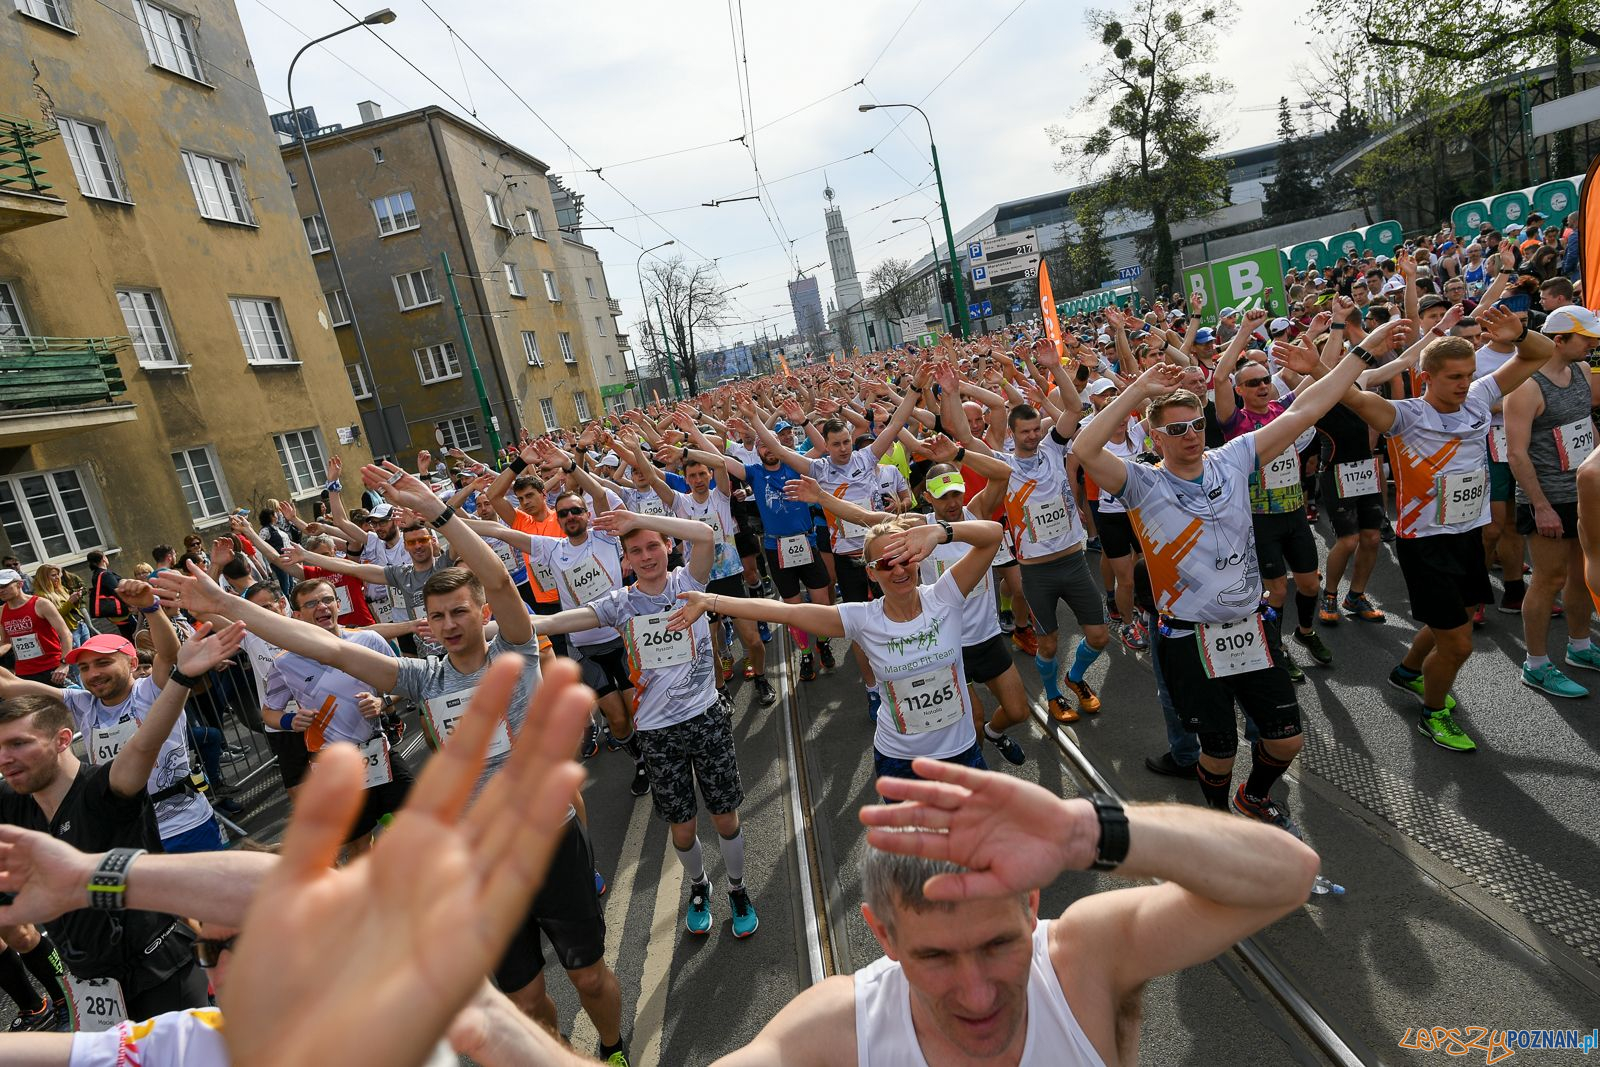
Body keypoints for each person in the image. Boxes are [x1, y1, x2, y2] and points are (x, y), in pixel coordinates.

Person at [0, 650, 593, 1067]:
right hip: (93, 976)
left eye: (247, 950)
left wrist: (487, 1014)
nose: (218, 976)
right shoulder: (186, 1042)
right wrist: (85, 879)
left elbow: (145, 753)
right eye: (209, 951)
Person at [1073, 325, 1400, 828]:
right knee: (1219, 749)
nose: (1190, 436)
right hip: (1188, 636)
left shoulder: (1233, 458)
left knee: (1286, 738)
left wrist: (1361, 349)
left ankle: (1253, 797)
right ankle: (1220, 821)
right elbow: (1086, 450)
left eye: (1195, 426)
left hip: (1249, 625)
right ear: (1155, 436)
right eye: (1175, 430)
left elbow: (1305, 409)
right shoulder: (1141, 482)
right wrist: (1136, 391)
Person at [1340, 305, 1561, 751]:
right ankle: (1433, 713)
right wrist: (1349, 355)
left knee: (1454, 619)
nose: (1464, 384)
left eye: (1468, 374)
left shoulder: (1478, 398)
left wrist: (1518, 333)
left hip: (1468, 535)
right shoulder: (1404, 416)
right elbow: (1347, 394)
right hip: (1425, 541)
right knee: (1458, 646)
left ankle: (1406, 673)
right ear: (1427, 379)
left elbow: (1539, 354)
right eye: (1453, 377)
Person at [0, 619, 244, 1022]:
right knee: (179, 910)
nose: (93, 673)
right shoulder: (77, 708)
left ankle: (235, 984)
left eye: (103, 663)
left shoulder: (144, 704)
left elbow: (145, 743)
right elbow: (11, 686)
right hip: (97, 985)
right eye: (85, 667)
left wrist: (163, 635)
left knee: (215, 911)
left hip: (179, 821)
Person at [538, 509, 758, 941]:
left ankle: (737, 887)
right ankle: (699, 886)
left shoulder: (687, 584)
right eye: (635, 550)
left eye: (653, 545)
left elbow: (705, 533)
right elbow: (555, 622)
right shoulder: (619, 604)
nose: (646, 555)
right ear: (625, 561)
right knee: (683, 827)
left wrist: (634, 518)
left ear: (668, 546)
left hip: (705, 718)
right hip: (657, 733)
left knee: (726, 818)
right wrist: (491, 628)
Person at [670, 510, 1003, 788]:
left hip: (961, 753)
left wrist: (940, 532)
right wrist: (708, 600)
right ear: (872, 574)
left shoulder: (945, 595)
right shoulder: (862, 618)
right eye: (886, 564)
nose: (899, 570)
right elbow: (785, 612)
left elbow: (993, 534)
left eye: (905, 559)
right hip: (902, 762)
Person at [948, 346, 1109, 723]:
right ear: (1012, 434)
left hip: (1073, 562)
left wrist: (1055, 368)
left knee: (1099, 636)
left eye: (1037, 429)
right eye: (1025, 432)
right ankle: (1053, 695)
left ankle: (1075, 678)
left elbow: (1073, 409)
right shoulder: (1001, 465)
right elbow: (964, 439)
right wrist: (954, 393)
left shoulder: (1054, 448)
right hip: (1037, 571)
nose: (1033, 436)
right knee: (1049, 642)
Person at [1500, 306, 1600, 696]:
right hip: (1547, 498)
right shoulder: (1526, 384)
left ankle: (1580, 646)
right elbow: (1516, 454)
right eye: (1585, 339)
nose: (1592, 345)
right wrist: (1540, 505)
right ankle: (1536, 665)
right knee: (1548, 579)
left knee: (1582, 572)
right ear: (1558, 340)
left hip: (1583, 494)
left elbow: (1584, 423)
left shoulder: (1578, 371)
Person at [0, 569, 72, 688]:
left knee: (73, 703)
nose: (1, 590)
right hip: (24, 673)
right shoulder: (2, 611)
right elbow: (6, 642)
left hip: (52, 669)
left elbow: (66, 634)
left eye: (4, 585)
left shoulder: (41, 604)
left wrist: (64, 664)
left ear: (20, 584)